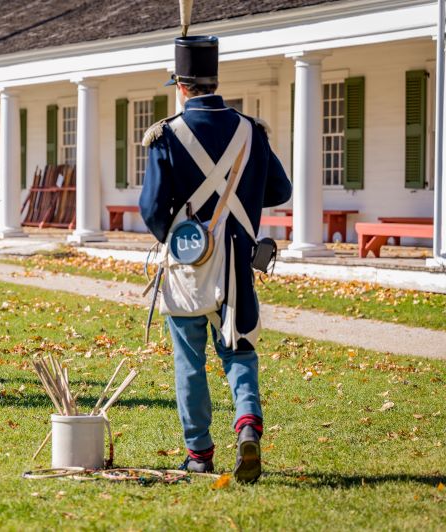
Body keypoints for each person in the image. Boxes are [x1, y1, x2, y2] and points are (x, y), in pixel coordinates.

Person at [139, 35, 292, 483]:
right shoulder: (250, 130)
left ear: (181, 86)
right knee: (239, 350)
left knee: (189, 358)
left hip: (187, 266)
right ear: (213, 81)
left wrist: (179, 236)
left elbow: (151, 208)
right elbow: (280, 191)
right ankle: (247, 424)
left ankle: (200, 454)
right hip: (238, 262)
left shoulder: (166, 134)